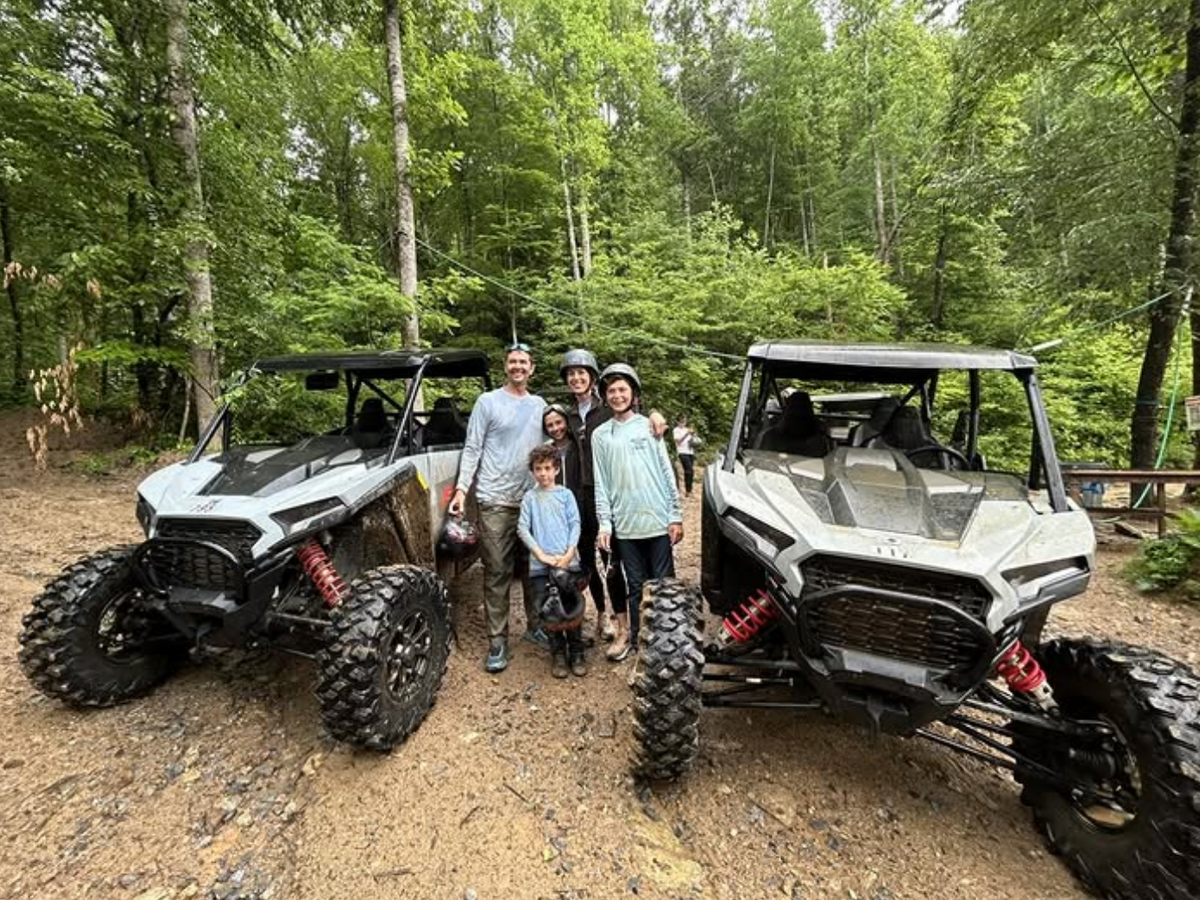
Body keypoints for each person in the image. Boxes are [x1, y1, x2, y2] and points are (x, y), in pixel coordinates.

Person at [449, 343, 548, 673]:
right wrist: (462, 490)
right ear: (506, 367)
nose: (518, 367)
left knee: (535, 568)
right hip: (494, 500)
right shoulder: (487, 401)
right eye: (512, 362)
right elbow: (473, 446)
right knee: (497, 571)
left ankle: (536, 627)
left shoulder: (539, 405)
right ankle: (498, 640)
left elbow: (557, 444)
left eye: (523, 362)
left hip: (533, 500)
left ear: (532, 369)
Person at [559, 349, 667, 644]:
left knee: (614, 562)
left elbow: (635, 414)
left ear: (593, 378)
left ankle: (625, 625)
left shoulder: (608, 406)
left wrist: (656, 415)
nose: (576, 378)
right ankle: (603, 615)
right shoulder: (565, 415)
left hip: (608, 494)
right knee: (588, 562)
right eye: (571, 374)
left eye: (582, 372)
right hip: (578, 496)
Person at [592, 363, 683, 661]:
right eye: (611, 391)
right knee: (634, 586)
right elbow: (601, 482)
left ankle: (669, 642)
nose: (617, 395)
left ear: (633, 393)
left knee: (664, 584)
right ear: (605, 396)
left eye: (622, 390)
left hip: (657, 521)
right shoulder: (601, 436)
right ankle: (638, 641)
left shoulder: (649, 425)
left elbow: (666, 472)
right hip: (625, 526)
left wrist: (675, 514)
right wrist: (605, 523)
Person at [518, 445, 588, 678]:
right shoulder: (530, 497)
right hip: (541, 566)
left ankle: (577, 651)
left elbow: (575, 524)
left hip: (568, 562)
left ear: (556, 469)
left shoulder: (565, 495)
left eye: (548, 468)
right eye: (538, 469)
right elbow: (522, 528)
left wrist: (569, 554)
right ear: (533, 471)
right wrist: (540, 554)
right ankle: (557, 653)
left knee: (571, 607)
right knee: (548, 611)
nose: (543, 473)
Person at [672, 415, 701, 497]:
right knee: (689, 470)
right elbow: (678, 442)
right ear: (677, 422)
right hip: (682, 452)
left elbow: (693, 441)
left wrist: (693, 435)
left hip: (690, 452)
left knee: (691, 472)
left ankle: (689, 490)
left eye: (684, 421)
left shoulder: (687, 429)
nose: (683, 423)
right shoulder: (676, 430)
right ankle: (688, 490)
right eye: (681, 422)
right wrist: (686, 434)